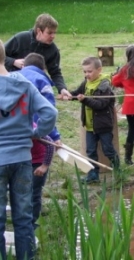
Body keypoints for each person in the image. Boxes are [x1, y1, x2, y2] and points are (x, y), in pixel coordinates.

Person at [0, 40, 57, 260]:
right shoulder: (23, 84)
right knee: (23, 218)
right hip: (23, 159)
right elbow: (50, 114)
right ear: (5, 58)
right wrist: (35, 133)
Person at [69, 56, 120, 184]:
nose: (87, 74)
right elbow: (77, 93)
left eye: (90, 71)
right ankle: (93, 175)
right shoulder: (86, 82)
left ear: (99, 70)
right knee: (90, 151)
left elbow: (100, 105)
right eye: (85, 71)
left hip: (103, 125)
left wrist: (84, 99)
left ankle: (118, 171)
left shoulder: (104, 86)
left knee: (108, 149)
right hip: (90, 126)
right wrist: (69, 95)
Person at [4, 13, 71, 98]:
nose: (53, 36)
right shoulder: (21, 39)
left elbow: (55, 72)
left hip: (33, 89)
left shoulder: (53, 50)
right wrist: (13, 62)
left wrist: (62, 89)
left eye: (55, 32)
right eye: (49, 33)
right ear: (39, 31)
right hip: (10, 83)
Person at [20, 52, 61, 144]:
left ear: (23, 66)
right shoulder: (42, 81)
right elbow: (48, 112)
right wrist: (54, 136)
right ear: (43, 69)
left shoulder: (10, 77)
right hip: (34, 131)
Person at [31, 129, 54, 229]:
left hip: (38, 162)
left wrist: (44, 166)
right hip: (23, 160)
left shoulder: (31, 128)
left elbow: (50, 144)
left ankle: (32, 222)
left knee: (34, 193)